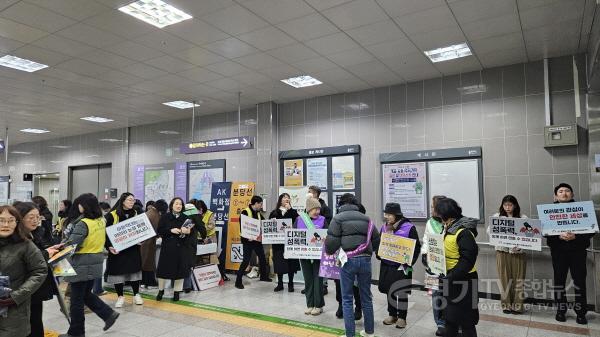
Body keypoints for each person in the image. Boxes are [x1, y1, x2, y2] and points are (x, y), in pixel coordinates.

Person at [60, 193, 120, 337]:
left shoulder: (83, 223)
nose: (78, 206)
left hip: (81, 263)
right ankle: (108, 314)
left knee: (76, 301)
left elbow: (72, 243)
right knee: (85, 294)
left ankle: (76, 333)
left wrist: (62, 242)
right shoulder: (100, 220)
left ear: (84, 206)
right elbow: (102, 237)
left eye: (80, 203)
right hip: (95, 263)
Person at [325, 194, 380, 337]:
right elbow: (376, 240)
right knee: (366, 297)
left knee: (347, 298)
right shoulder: (366, 218)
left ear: (341, 204)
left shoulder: (337, 219)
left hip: (348, 260)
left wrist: (331, 250)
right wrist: (367, 251)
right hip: (366, 260)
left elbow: (331, 243)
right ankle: (369, 332)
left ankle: (350, 334)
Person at [0, 204, 50, 337]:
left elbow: (40, 271)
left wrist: (16, 296)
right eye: (1, 220)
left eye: (11, 220)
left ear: (17, 222)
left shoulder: (25, 245)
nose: (6, 224)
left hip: (14, 312)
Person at [547, 183, 593, 324]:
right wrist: (558, 236)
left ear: (572, 194)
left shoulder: (583, 209)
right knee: (559, 282)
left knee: (579, 282)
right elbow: (545, 232)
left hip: (578, 251)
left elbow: (591, 230)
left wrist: (576, 236)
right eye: (560, 191)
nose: (564, 193)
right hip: (559, 252)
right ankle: (561, 311)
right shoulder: (548, 211)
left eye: (567, 191)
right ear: (556, 195)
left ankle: (581, 313)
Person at [14, 202, 60, 337]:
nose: (35, 220)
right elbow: (25, 261)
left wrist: (50, 251)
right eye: (31, 217)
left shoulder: (33, 234)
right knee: (30, 324)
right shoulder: (17, 237)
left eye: (37, 217)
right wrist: (46, 254)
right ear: (20, 218)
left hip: (35, 288)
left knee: (36, 321)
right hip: (24, 289)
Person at [435, 198, 479, 337]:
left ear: (446, 215)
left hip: (464, 280)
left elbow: (468, 260)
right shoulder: (448, 227)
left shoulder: (463, 232)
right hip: (450, 278)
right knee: (450, 318)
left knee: (467, 321)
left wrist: (451, 276)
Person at [377, 203, 421, 329]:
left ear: (396, 215)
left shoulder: (409, 228)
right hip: (387, 265)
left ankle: (402, 317)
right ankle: (392, 315)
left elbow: (416, 247)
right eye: (386, 214)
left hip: (403, 266)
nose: (387, 217)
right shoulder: (384, 227)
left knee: (401, 292)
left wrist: (409, 262)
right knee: (389, 290)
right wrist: (379, 254)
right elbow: (379, 243)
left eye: (389, 214)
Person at [489, 195, 527, 315]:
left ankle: (517, 306)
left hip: (518, 253)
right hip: (502, 252)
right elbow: (490, 231)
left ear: (515, 205)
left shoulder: (522, 217)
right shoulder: (497, 217)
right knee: (504, 279)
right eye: (505, 205)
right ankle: (506, 305)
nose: (507, 207)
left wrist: (520, 246)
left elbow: (529, 236)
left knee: (518, 279)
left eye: (510, 205)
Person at [105, 192, 143, 308]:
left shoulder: (137, 213)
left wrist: (141, 239)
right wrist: (108, 246)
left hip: (133, 250)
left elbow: (142, 229)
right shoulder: (112, 215)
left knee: (134, 273)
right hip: (117, 251)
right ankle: (120, 296)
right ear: (123, 201)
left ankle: (136, 294)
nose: (132, 202)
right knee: (118, 274)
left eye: (133, 200)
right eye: (130, 200)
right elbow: (104, 233)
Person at [155, 198, 197, 301]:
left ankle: (177, 292)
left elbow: (191, 232)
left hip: (181, 248)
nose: (179, 206)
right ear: (172, 205)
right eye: (176, 204)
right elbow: (160, 231)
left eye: (180, 204)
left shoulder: (186, 218)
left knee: (180, 271)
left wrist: (187, 232)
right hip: (167, 248)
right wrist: (170, 231)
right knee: (163, 271)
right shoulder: (165, 217)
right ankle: (161, 290)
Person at [295, 198, 327, 316]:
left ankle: (318, 305)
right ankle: (310, 304)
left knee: (318, 280)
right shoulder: (299, 220)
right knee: (308, 279)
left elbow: (326, 235)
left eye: (318, 209)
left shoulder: (323, 220)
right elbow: (294, 236)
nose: (317, 211)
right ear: (308, 209)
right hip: (304, 254)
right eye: (314, 209)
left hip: (318, 255)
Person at [420, 195, 447, 336]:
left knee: (449, 294)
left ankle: (451, 320)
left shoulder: (449, 222)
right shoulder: (430, 222)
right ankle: (440, 323)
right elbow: (426, 239)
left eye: (433, 207)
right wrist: (424, 253)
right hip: (431, 264)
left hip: (447, 264)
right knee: (435, 294)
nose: (431, 209)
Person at [235, 196, 271, 289]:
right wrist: (247, 236)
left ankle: (263, 276)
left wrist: (271, 222)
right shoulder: (245, 212)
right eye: (260, 204)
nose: (261, 206)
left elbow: (264, 222)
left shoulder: (258, 213)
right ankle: (238, 281)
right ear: (255, 203)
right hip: (247, 240)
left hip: (256, 240)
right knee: (246, 260)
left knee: (262, 258)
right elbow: (242, 226)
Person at [269, 193, 300, 292]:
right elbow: (270, 225)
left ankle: (291, 284)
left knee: (291, 263)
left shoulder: (293, 211)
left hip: (290, 241)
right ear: (280, 200)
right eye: (284, 197)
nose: (286, 199)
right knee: (279, 263)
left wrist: (290, 209)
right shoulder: (274, 212)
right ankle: (280, 283)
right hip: (278, 243)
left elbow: (298, 222)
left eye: (288, 197)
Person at [141, 199, 167, 288]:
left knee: (144, 262)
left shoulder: (149, 212)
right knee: (148, 263)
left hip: (144, 242)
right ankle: (149, 282)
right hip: (148, 243)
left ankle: (144, 282)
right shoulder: (154, 215)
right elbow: (158, 229)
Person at [195, 200, 218, 264]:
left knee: (211, 255)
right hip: (200, 238)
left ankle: (214, 269)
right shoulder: (196, 214)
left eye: (200, 209)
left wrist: (202, 229)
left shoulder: (209, 214)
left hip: (210, 237)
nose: (200, 211)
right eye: (198, 209)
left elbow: (211, 225)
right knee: (201, 254)